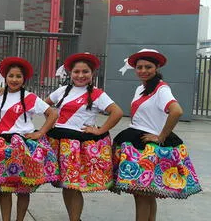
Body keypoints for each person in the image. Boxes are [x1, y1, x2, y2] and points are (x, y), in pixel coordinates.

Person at [112, 49, 202, 221]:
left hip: (147, 147)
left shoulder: (162, 89)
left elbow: (176, 111)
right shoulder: (141, 88)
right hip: (135, 141)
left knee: (141, 193)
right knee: (146, 192)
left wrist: (161, 136)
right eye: (139, 67)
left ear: (157, 67)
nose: (143, 70)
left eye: (148, 67)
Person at [0, 57, 59, 221]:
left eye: (18, 76)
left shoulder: (30, 97)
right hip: (1, 146)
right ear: (5, 77)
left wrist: (41, 133)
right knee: (5, 188)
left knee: (24, 188)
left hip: (23, 145)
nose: (14, 80)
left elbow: (52, 113)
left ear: (24, 79)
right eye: (11, 76)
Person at [45, 52, 123, 221]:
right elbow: (42, 106)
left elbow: (117, 112)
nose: (80, 75)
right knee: (67, 185)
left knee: (74, 185)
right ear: (70, 73)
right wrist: (50, 123)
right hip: (60, 142)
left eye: (85, 72)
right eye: (76, 72)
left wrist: (100, 130)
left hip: (77, 146)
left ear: (92, 73)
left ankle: (75, 219)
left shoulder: (97, 94)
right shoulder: (61, 91)